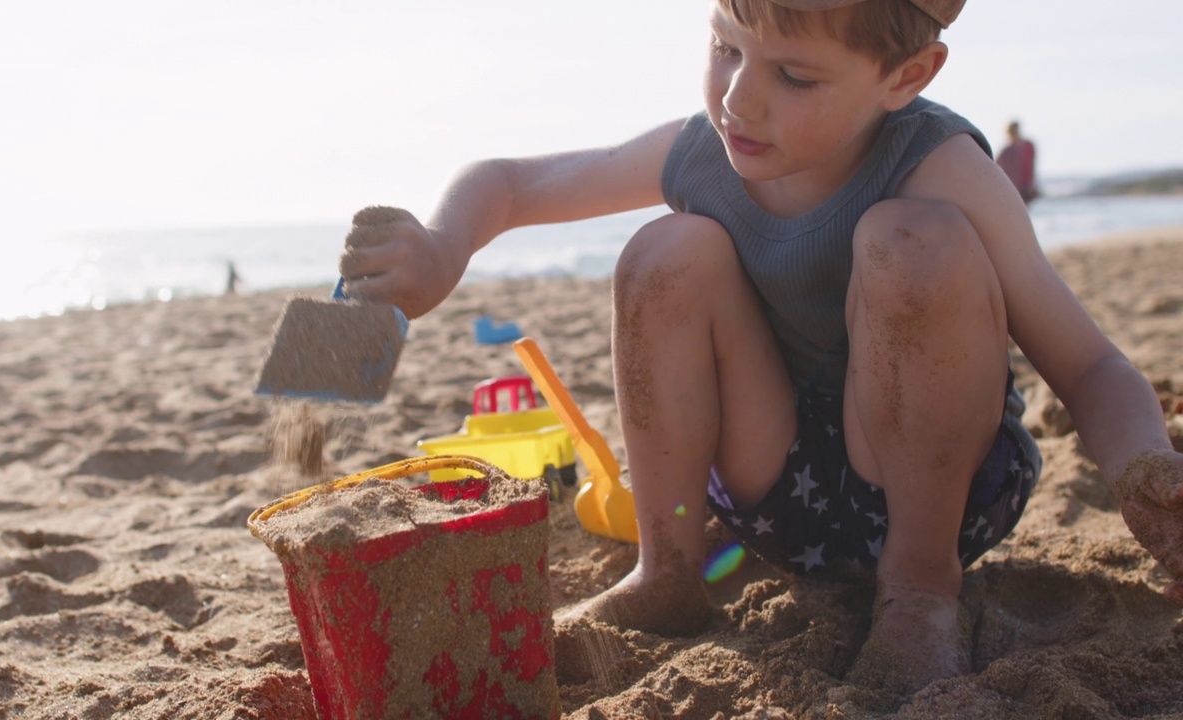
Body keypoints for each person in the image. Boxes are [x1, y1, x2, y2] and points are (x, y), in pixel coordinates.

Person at [337, 0, 1183, 700]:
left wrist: (1145, 470)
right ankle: (667, 571)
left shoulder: (939, 164)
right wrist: (444, 247)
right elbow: (514, 183)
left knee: (912, 240)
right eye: (723, 46)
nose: (739, 99)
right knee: (665, 251)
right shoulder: (706, 154)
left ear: (905, 76)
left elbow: (1091, 367)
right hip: (774, 492)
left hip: (937, 492)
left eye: (794, 75)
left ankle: (921, 594)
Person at [996, 119, 1039, 204]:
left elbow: (995, 165)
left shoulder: (1011, 148)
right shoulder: (1010, 148)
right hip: (1014, 184)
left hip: (1017, 184)